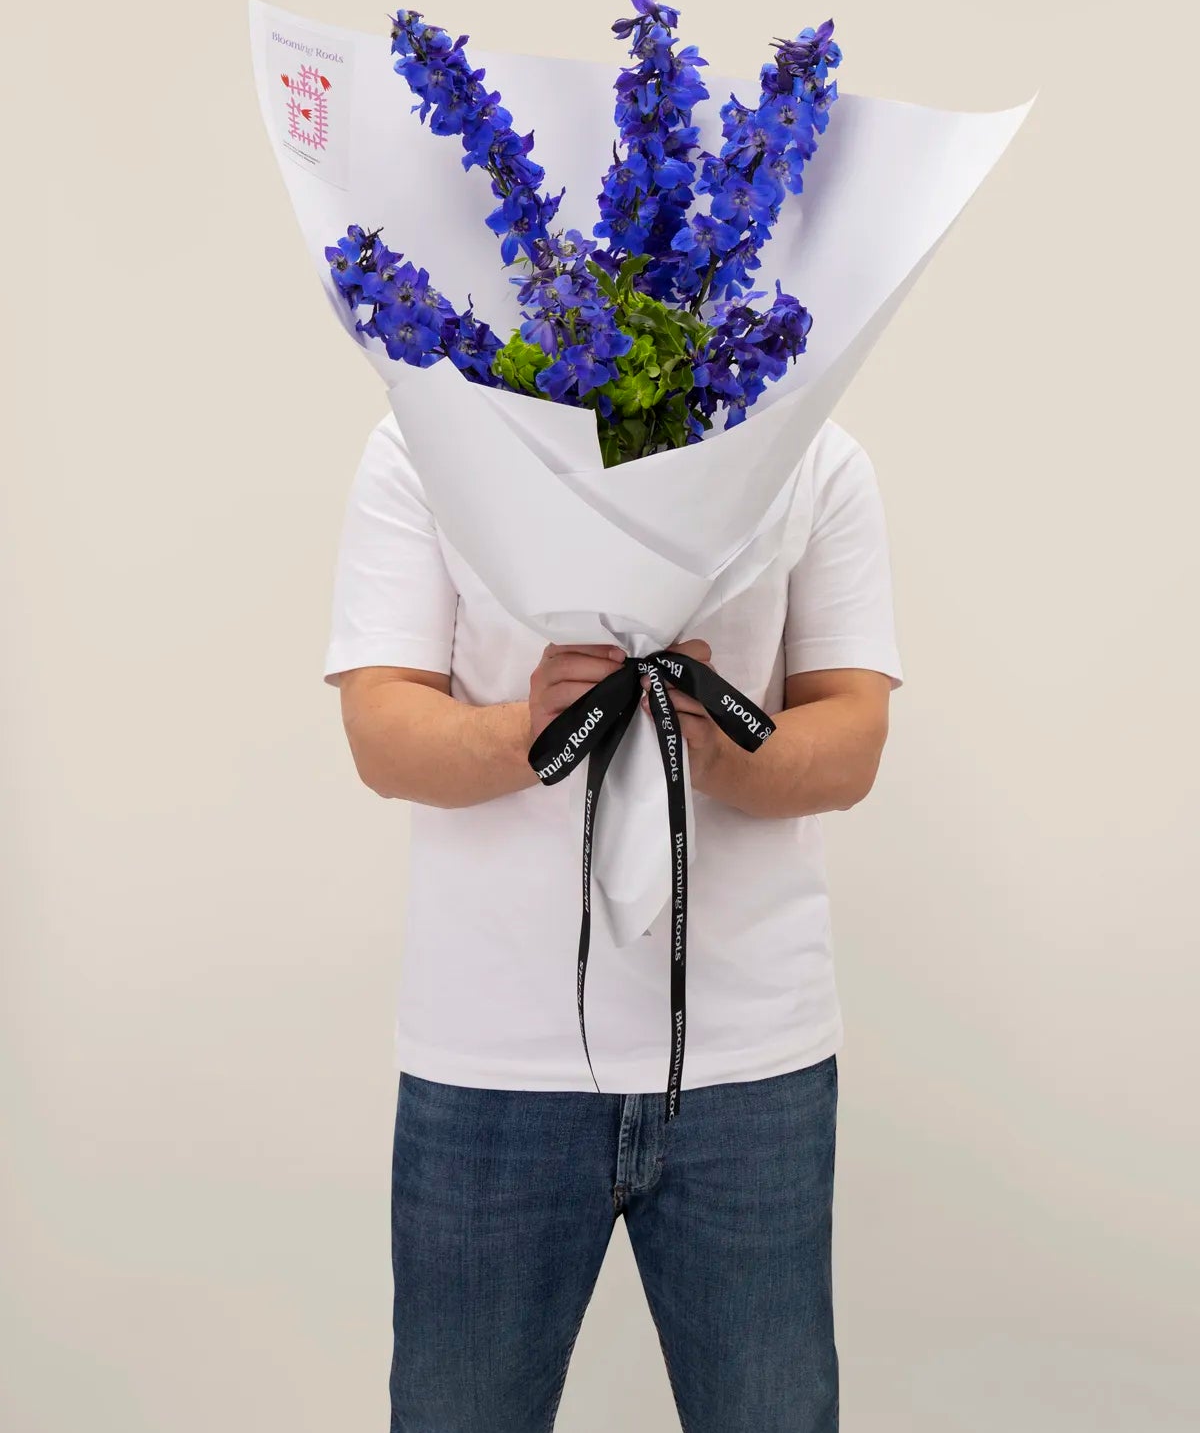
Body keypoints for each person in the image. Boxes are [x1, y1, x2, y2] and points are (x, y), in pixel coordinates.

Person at [323, 406, 903, 1433]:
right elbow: (380, 724)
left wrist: (718, 746)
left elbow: (851, 735)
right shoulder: (427, 438)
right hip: (492, 1059)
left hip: (749, 1056)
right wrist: (533, 728)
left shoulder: (814, 446)